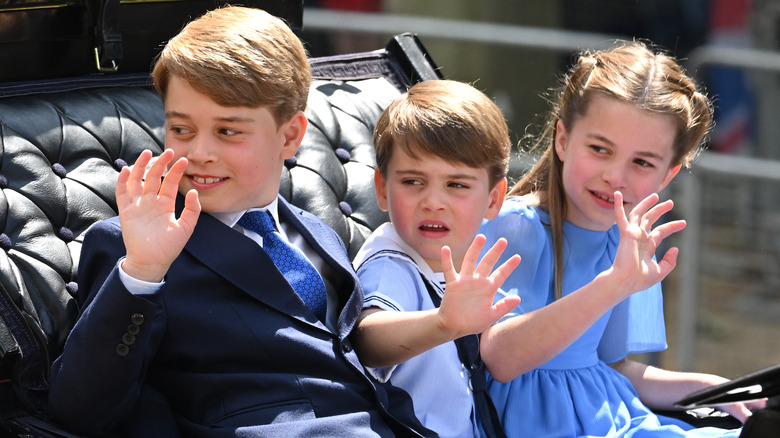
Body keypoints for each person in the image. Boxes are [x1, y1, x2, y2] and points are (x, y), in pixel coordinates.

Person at [46, 6, 435, 438]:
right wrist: (142, 273)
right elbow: (80, 409)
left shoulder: (315, 231)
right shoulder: (133, 246)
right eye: (181, 129)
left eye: (228, 132)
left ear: (289, 136)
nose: (199, 153)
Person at [477, 40, 766, 437]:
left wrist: (710, 387)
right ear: (563, 139)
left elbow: (613, 367)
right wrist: (614, 284)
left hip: (618, 419)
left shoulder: (630, 241)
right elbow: (499, 358)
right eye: (600, 149)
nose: (616, 175)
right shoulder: (514, 225)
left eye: (642, 162)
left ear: (667, 175)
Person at [350, 79, 522, 438]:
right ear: (382, 189)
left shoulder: (472, 260)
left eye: (456, 185)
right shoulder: (391, 260)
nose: (433, 201)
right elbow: (366, 339)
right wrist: (444, 322)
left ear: (493, 198)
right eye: (413, 181)